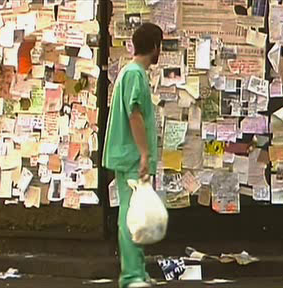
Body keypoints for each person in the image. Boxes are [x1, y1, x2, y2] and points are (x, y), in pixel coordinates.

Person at [103, 23, 163, 288]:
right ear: (155, 47)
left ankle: (137, 271)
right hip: (131, 157)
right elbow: (135, 113)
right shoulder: (136, 74)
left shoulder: (129, 73)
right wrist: (144, 155)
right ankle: (131, 276)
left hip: (126, 155)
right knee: (131, 217)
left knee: (137, 215)